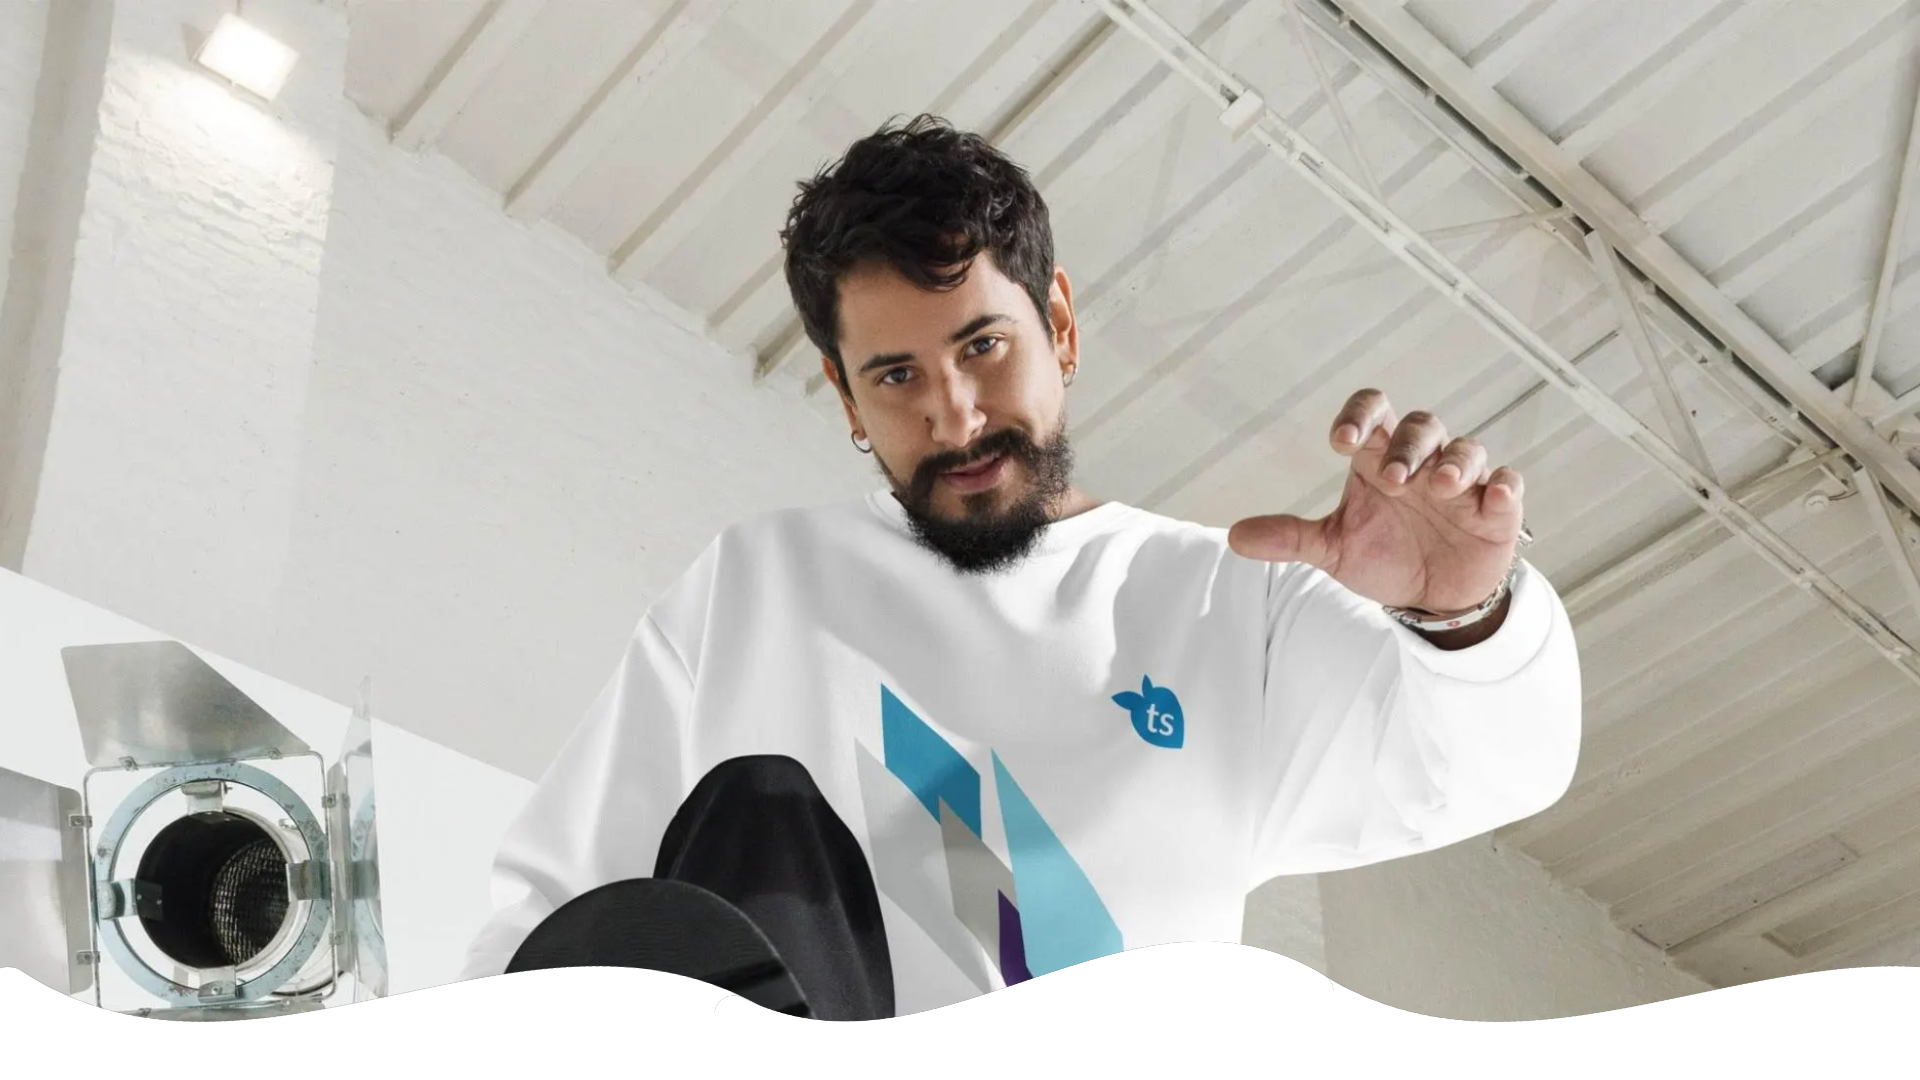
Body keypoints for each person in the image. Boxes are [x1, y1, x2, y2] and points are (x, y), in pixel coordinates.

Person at [458, 114, 1581, 1019]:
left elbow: (1493, 768)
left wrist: (1463, 614)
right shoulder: (759, 585)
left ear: (1061, 326)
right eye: (895, 375)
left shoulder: (1227, 605)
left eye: (983, 346)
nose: (953, 417)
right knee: (756, 808)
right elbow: (555, 916)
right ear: (844, 395)